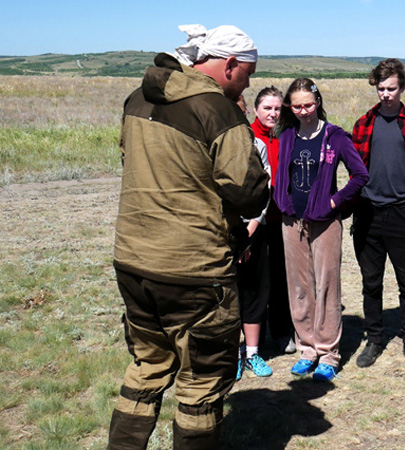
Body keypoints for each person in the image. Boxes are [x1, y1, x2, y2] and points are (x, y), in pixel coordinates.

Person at [108, 24, 269, 449]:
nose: (247, 84)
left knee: (146, 368)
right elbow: (249, 192)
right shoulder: (217, 110)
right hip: (194, 271)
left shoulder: (137, 98)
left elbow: (129, 159)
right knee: (201, 383)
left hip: (133, 261)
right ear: (230, 65)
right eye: (248, 73)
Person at [273, 78, 369, 381]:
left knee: (327, 285)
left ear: (318, 102)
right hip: (292, 220)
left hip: (325, 221)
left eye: (308, 105)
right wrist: (282, 199)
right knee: (299, 286)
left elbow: (360, 175)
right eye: (297, 106)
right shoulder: (287, 136)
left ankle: (328, 353)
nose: (303, 111)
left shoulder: (335, 137)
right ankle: (307, 348)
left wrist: (334, 201)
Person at [351, 58, 405, 368]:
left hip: (403, 212)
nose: (386, 94)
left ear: (402, 88)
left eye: (392, 89)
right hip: (369, 212)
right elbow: (355, 170)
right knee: (371, 283)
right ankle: (374, 339)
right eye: (381, 88)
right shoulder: (363, 124)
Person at [250, 86, 297, 355]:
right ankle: (255, 338)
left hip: (283, 217)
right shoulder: (248, 138)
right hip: (256, 219)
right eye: (267, 108)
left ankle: (281, 332)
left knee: (281, 277)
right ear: (255, 110)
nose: (273, 113)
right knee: (257, 279)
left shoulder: (287, 137)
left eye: (278, 108)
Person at [235, 94, 274, 380]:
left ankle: (252, 353)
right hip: (222, 233)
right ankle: (230, 355)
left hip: (252, 229)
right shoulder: (209, 146)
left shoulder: (256, 146)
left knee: (254, 291)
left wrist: (249, 233)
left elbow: (264, 190)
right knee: (228, 296)